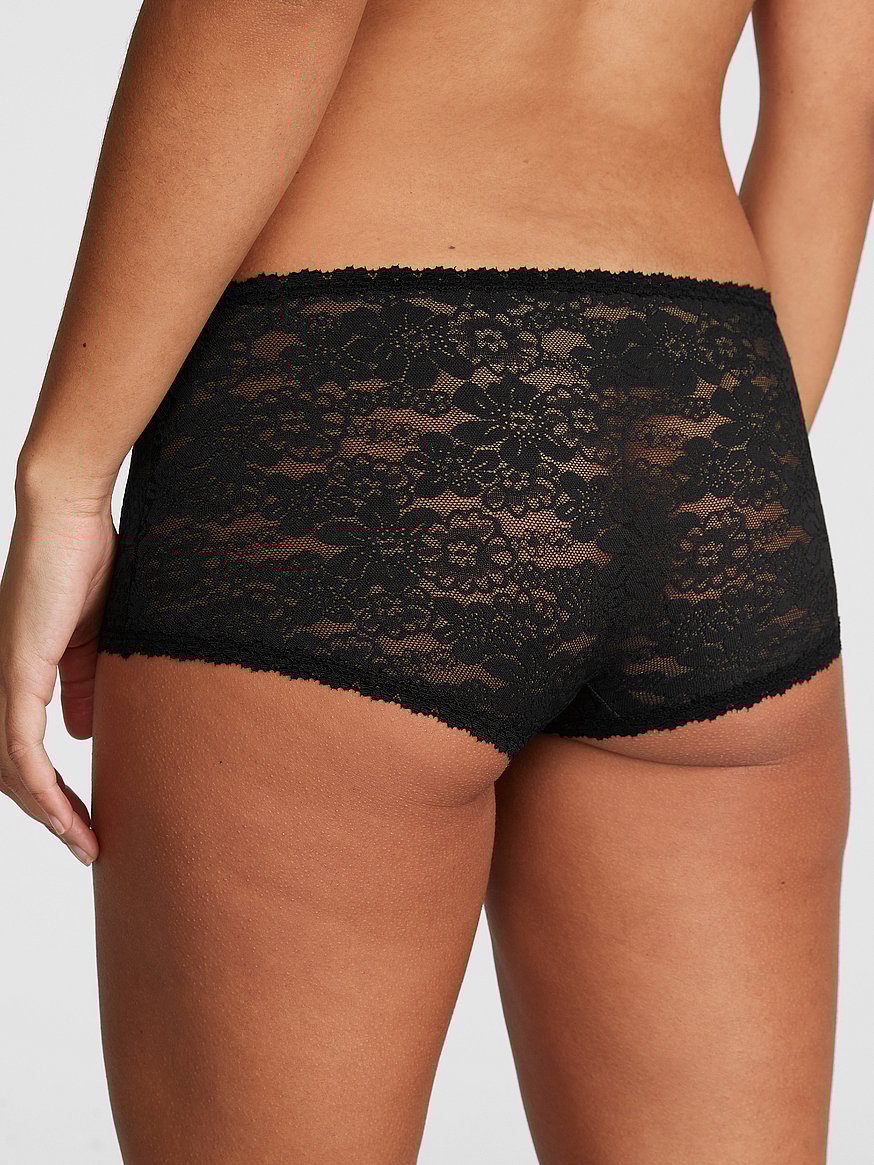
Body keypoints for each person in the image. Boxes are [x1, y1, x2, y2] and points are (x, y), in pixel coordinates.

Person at [0, 0, 870, 1160]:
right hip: (706, 424)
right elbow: (837, 99)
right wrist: (704, 484)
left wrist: (66, 477)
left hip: (366, 402)